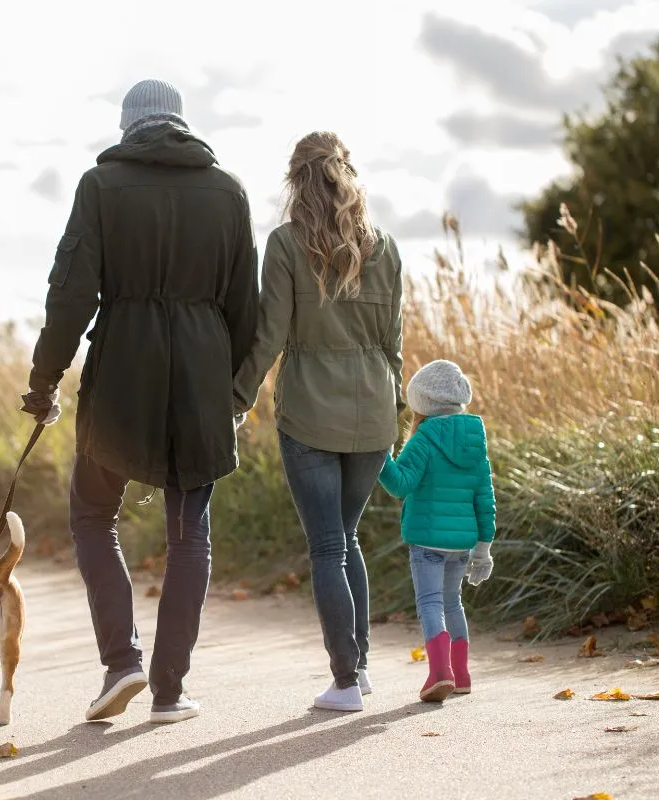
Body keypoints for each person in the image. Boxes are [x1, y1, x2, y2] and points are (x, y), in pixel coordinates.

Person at [21, 78, 259, 725]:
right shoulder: (229, 191)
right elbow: (247, 308)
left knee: (93, 515)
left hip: (122, 371)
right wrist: (230, 391)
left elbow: (71, 294)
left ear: (128, 126)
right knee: (189, 535)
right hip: (201, 379)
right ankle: (169, 691)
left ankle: (120, 662)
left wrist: (44, 381)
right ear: (181, 123)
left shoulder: (101, 186)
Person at [233, 131, 405, 713]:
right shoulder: (386, 246)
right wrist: (397, 414)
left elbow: (270, 335)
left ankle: (346, 681)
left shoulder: (286, 244)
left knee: (329, 545)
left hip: (309, 412)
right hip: (374, 413)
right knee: (346, 538)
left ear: (296, 180)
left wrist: (237, 398)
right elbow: (394, 344)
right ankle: (361, 668)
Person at [377, 359, 496, 702]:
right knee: (452, 602)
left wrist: (380, 455)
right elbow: (485, 497)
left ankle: (440, 673)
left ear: (423, 403)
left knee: (430, 603)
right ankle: (461, 674)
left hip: (427, 540)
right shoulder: (475, 440)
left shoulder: (425, 438)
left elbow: (400, 485)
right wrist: (483, 549)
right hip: (462, 543)